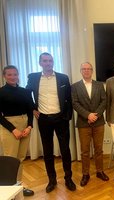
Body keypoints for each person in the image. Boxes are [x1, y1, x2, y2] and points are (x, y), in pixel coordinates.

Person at [26, 52, 76, 193]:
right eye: (45, 61)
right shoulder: (33, 77)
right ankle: (52, 180)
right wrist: (33, 109)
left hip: (61, 119)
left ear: (53, 62)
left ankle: (68, 178)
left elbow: (69, 99)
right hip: (44, 119)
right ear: (40, 63)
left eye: (50, 60)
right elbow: (26, 94)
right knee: (47, 151)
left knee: (65, 149)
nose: (48, 63)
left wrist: (67, 116)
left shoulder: (63, 78)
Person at [71, 62, 109, 186]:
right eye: (84, 69)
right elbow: (75, 103)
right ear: (81, 71)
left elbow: (104, 101)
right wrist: (88, 115)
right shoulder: (75, 86)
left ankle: (100, 171)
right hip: (83, 122)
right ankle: (85, 174)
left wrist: (95, 115)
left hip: (98, 122)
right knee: (85, 151)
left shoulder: (99, 85)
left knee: (99, 149)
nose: (86, 71)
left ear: (92, 71)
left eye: (89, 69)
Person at [0, 65, 34, 196]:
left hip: (25, 125)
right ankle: (9, 190)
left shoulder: (24, 91)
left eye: (15, 74)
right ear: (4, 76)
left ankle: (18, 186)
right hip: (9, 126)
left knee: (20, 158)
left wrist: (29, 126)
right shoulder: (1, 92)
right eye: (9, 75)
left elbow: (30, 110)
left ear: (18, 75)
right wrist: (13, 130)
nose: (13, 77)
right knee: (10, 159)